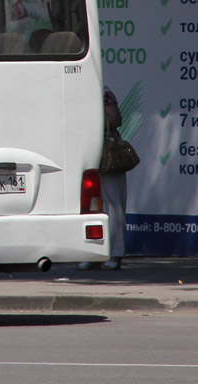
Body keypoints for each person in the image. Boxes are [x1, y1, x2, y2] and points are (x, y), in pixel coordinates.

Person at [81, 86, 127, 271]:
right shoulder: (75, 92)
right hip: (86, 152)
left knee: (113, 204)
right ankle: (92, 254)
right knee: (90, 205)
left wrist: (92, 122)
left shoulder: (101, 91)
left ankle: (115, 254)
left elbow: (116, 118)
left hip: (107, 153)